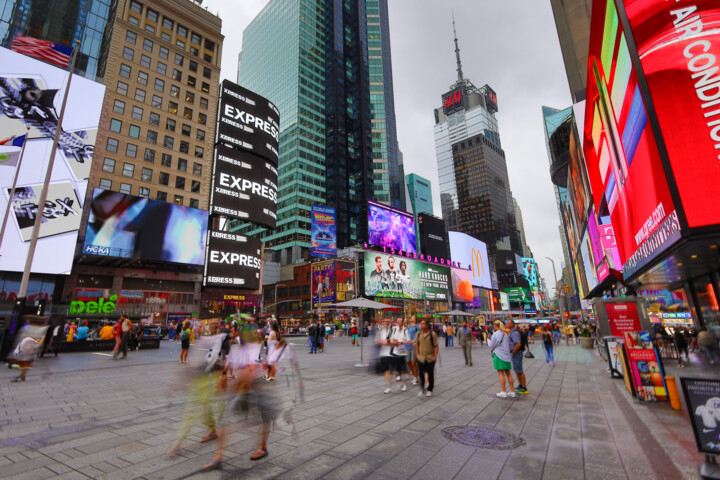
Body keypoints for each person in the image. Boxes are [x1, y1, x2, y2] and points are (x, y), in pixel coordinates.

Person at [488, 320, 515, 398]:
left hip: (499, 355)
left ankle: (503, 391)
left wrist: (488, 341)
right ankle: (512, 391)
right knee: (508, 373)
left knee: (501, 373)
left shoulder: (495, 334)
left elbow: (492, 345)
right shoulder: (505, 334)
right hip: (506, 356)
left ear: (496, 326)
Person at [414, 319, 439, 397]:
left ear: (427, 325)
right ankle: (421, 389)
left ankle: (430, 389)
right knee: (421, 374)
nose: (422, 325)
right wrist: (417, 354)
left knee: (430, 374)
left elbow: (436, 346)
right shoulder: (418, 334)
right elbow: (416, 344)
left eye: (424, 324)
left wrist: (435, 357)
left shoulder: (432, 334)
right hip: (421, 357)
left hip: (430, 357)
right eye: (421, 324)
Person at [507, 320, 528, 395]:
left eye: (507, 323)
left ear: (511, 324)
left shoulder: (514, 333)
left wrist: (513, 352)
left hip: (516, 353)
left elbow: (518, 344)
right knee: (516, 369)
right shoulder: (512, 332)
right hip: (515, 353)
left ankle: (524, 387)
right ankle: (520, 385)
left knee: (519, 370)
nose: (506, 324)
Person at [406, 318, 420, 385]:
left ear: (415, 320)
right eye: (411, 318)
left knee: (413, 362)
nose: (411, 318)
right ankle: (415, 374)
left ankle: (415, 377)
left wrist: (414, 341)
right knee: (408, 362)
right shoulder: (408, 327)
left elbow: (419, 336)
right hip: (408, 346)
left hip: (414, 346)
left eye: (413, 318)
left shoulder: (417, 327)